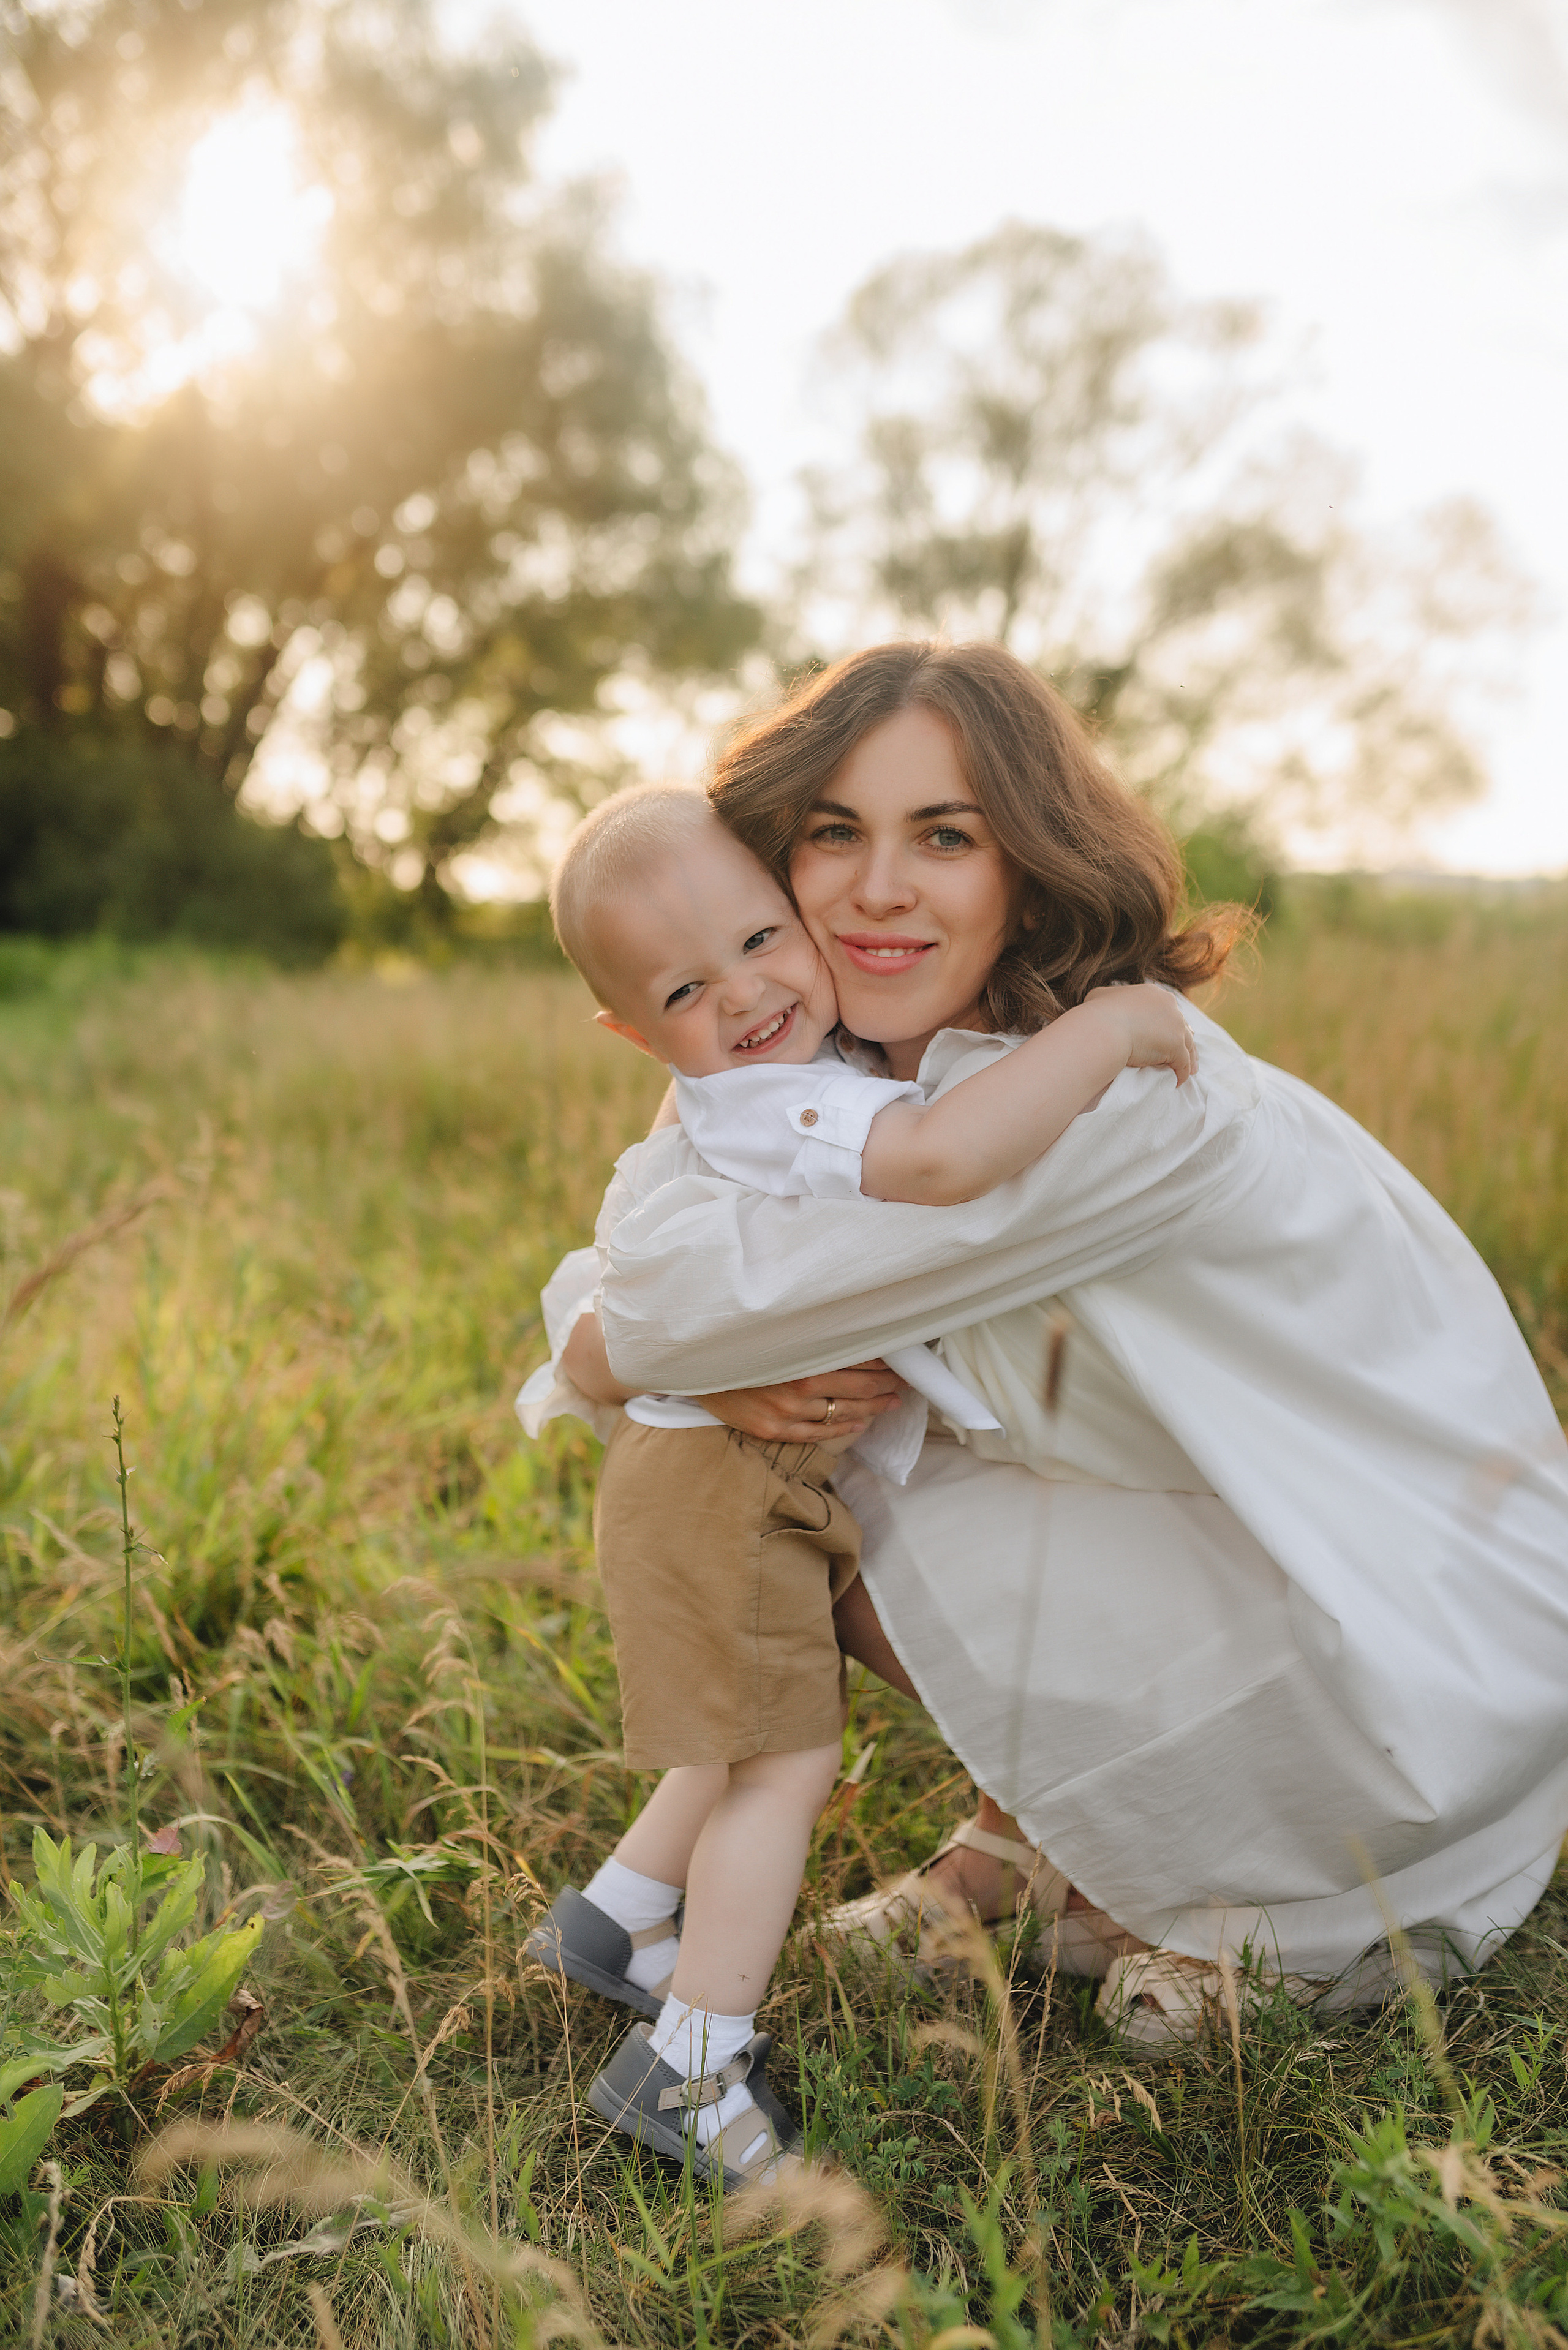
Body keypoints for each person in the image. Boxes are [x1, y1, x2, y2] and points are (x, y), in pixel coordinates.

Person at [576, 638, 1568, 2049]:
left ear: (1028, 863)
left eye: (944, 836)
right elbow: (641, 1277)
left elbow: (661, 1310)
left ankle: (1263, 1909)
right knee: (842, 1427)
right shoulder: (865, 1066)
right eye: (831, 834)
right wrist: (660, 1344)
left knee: (838, 1450)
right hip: (1242, 1536)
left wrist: (663, 1356)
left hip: (1420, 1649)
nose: (875, 889)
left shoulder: (1109, 1102)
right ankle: (1038, 1843)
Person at [518, 778, 1198, 2184]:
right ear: (635, 1031)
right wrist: (1114, 1027)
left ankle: (618, 1916)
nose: (751, 993)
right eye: (690, 986)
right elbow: (938, 1156)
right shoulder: (776, 1105)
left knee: (738, 1728)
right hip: (720, 1478)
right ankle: (691, 2061)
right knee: (784, 1763)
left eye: (765, 940)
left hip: (701, 1469)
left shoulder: (755, 1082)